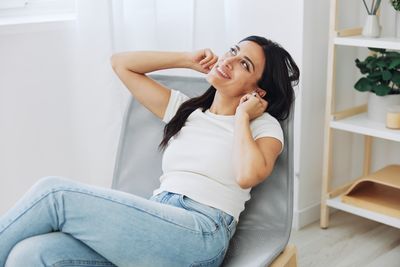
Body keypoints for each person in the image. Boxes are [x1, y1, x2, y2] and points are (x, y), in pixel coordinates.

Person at [0, 35, 299, 267]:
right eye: (233, 51)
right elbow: (121, 64)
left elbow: (248, 175)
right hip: (157, 224)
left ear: (258, 91)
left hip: (199, 235)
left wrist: (243, 117)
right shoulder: (186, 110)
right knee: (31, 254)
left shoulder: (264, 127)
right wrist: (186, 59)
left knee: (55, 194)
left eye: (245, 64)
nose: (230, 61)